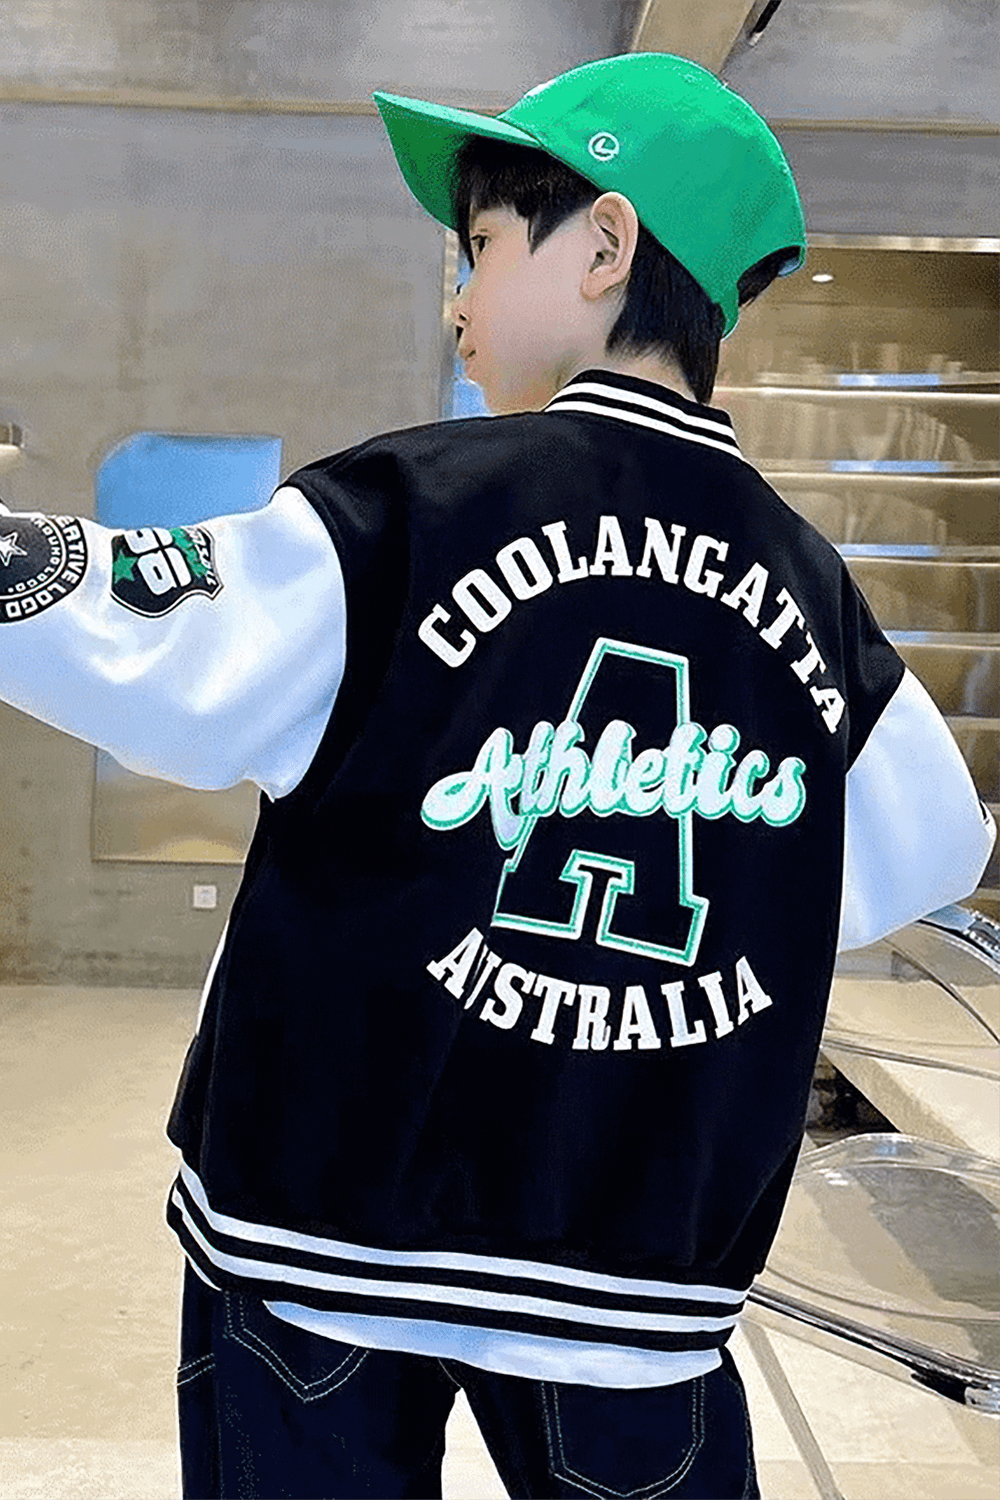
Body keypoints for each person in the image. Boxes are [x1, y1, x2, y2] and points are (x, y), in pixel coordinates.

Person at [0, 51, 993, 1500]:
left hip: (330, 1246)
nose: (457, 294)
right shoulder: (813, 593)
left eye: (480, 244)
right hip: (637, 1288)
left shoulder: (405, 512)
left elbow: (145, 639)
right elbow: (926, 849)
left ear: (604, 246)